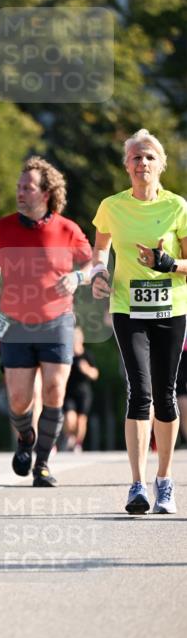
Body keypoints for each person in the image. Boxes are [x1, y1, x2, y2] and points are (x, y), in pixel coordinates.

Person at [91, 129, 187, 514]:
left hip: (171, 308)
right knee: (139, 392)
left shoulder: (178, 207)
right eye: (135, 157)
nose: (142, 163)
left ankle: (165, 480)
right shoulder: (112, 206)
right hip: (127, 308)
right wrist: (99, 273)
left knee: (165, 395)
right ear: (126, 165)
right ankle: (137, 485)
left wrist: (166, 264)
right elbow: (100, 249)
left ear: (160, 164)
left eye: (149, 157)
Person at [0, 157, 93, 486]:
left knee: (55, 391)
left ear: (46, 193)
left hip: (57, 321)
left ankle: (43, 463)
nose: (20, 192)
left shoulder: (68, 229)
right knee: (19, 399)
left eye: (27, 187)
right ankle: (25, 440)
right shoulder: (2, 227)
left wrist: (76, 278)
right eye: (18, 187)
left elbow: (93, 266)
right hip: (15, 323)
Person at [63, 326, 99, 451]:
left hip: (84, 393)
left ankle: (78, 443)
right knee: (69, 418)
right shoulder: (66, 354)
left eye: (77, 337)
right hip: (68, 392)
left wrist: (87, 370)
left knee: (81, 420)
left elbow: (95, 374)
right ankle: (69, 437)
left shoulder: (87, 355)